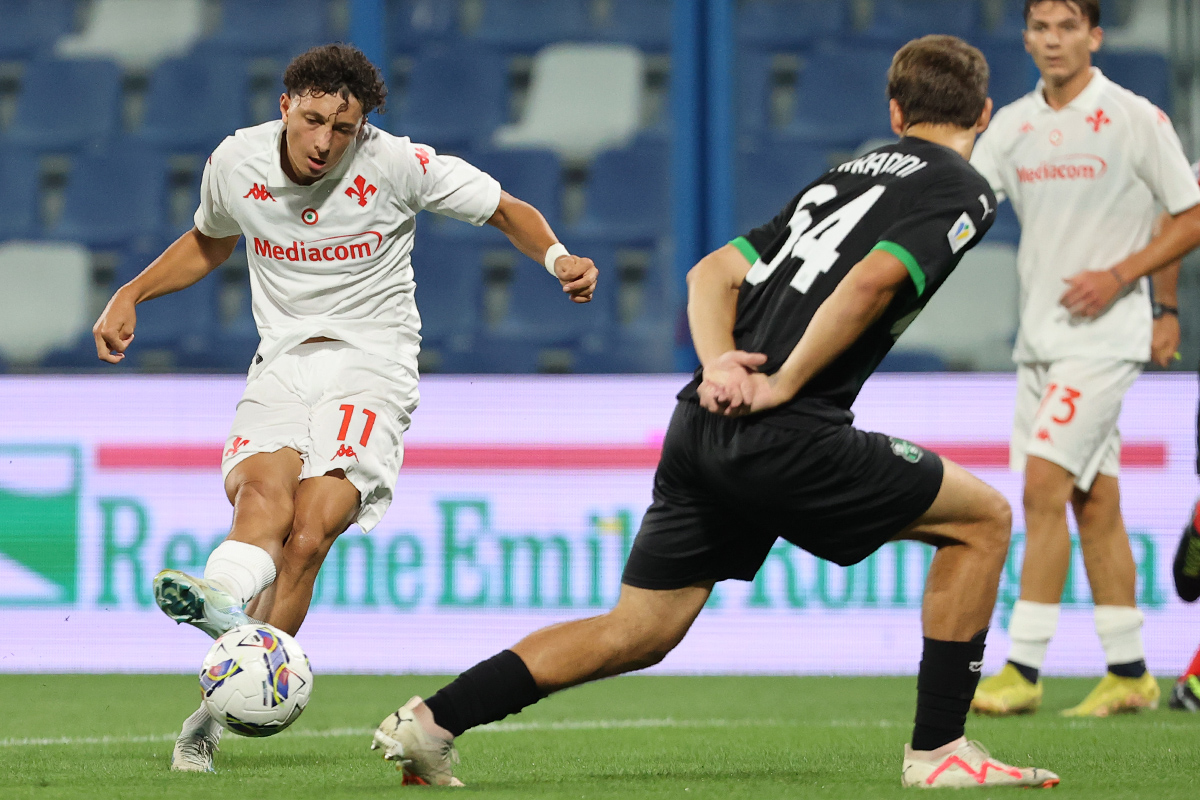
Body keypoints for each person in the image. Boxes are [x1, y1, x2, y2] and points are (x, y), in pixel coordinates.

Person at [370, 35, 1059, 790]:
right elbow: (871, 282)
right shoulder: (962, 185)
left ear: (895, 111)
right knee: (983, 520)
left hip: (703, 421)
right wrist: (784, 382)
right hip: (783, 430)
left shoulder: (845, 174)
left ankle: (431, 722)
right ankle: (940, 755)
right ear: (985, 113)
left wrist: (720, 364)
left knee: (639, 629)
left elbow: (711, 272)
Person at [90, 44, 598, 772]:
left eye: (343, 125)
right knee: (262, 500)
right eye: (313, 119)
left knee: (308, 533)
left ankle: (210, 712)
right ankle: (223, 600)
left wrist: (559, 260)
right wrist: (131, 292)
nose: (326, 141)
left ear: (363, 125)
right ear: (285, 107)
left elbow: (505, 209)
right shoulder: (236, 164)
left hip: (372, 365)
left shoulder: (397, 165)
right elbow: (209, 240)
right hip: (284, 362)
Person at [968, 0, 1200, 718]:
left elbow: (1189, 214)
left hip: (1105, 340)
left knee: (1042, 489)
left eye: (1068, 27)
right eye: (1041, 27)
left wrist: (1127, 281)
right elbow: (966, 199)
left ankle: (1022, 670)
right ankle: (1129, 672)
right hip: (1039, 341)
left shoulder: (1134, 117)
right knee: (1095, 504)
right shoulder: (1011, 126)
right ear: (1028, 37)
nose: (1053, 40)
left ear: (1094, 36)